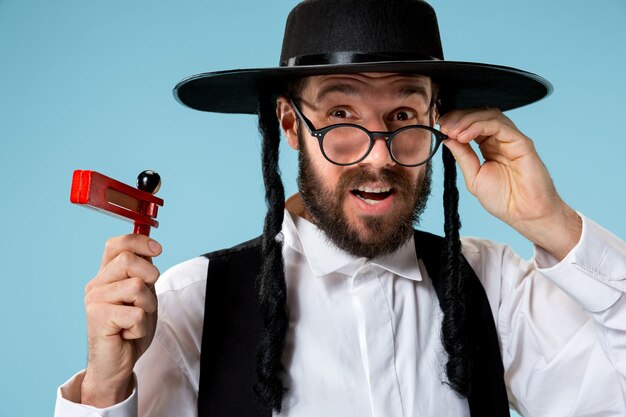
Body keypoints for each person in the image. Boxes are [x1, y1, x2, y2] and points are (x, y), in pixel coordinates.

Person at [55, 0, 626, 416]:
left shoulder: (493, 286)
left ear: (440, 121)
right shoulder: (192, 303)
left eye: (403, 116)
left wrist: (553, 225)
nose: (377, 155)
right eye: (340, 116)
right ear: (289, 125)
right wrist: (106, 388)